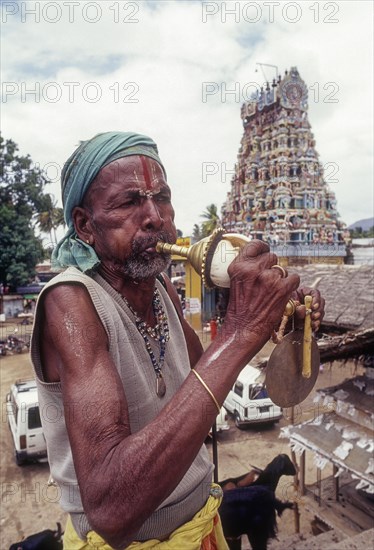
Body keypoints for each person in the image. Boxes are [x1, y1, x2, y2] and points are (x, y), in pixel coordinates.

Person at [30, 132, 324, 550]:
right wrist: (241, 332)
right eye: (130, 202)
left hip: (201, 526)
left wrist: (278, 318)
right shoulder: (71, 302)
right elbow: (112, 511)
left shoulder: (159, 286)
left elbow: (204, 391)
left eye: (161, 197)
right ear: (84, 224)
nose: (155, 217)